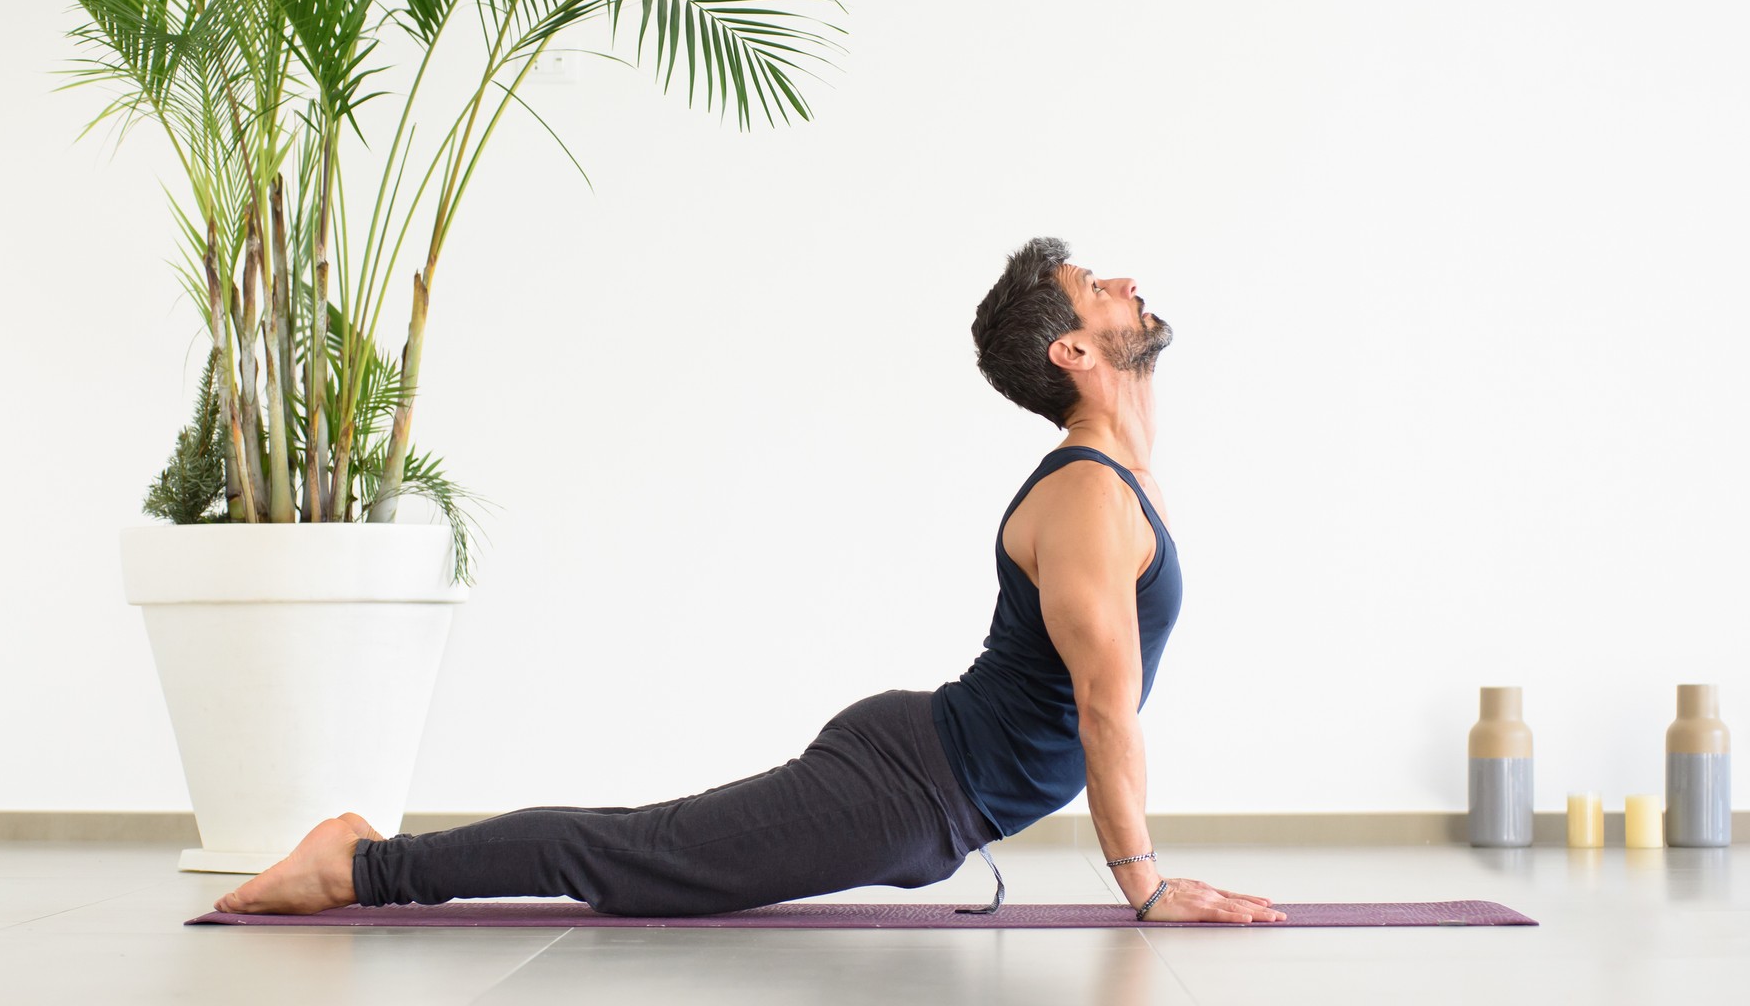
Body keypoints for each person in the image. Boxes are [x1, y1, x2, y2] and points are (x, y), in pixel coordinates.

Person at [214, 237, 1286, 924]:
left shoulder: (1112, 487)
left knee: (646, 854)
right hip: (909, 786)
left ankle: (364, 859)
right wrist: (1144, 884)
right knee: (640, 860)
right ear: (1072, 354)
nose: (1126, 281)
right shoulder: (1091, 496)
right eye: (1099, 286)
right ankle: (361, 863)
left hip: (925, 782)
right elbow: (1105, 709)